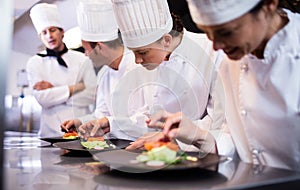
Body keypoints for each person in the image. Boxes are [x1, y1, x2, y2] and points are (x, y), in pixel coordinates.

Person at [149, 0, 300, 171]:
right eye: (208, 34)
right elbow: (237, 137)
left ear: (269, 4)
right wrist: (199, 136)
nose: (217, 46)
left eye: (226, 32)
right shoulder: (230, 63)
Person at [80, 0, 233, 154]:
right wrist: (111, 124)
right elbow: (151, 116)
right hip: (162, 156)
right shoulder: (149, 63)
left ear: (166, 40)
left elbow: (220, 122)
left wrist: (173, 136)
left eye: (142, 52)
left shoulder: (212, 52)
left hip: (204, 156)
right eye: (133, 52)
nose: (137, 61)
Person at [61, 0, 149, 141]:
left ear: (100, 47)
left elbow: (148, 118)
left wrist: (110, 122)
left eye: (86, 49)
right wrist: (80, 122)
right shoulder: (105, 75)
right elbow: (101, 114)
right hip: (115, 148)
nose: (85, 55)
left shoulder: (141, 66)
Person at [26, 3, 97, 137]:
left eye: (52, 30)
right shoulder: (34, 62)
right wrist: (76, 88)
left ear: (62, 32)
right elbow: (42, 99)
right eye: (44, 32)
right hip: (49, 134)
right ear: (40, 37)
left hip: (81, 130)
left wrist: (54, 89)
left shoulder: (82, 59)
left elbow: (91, 95)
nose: (49, 36)